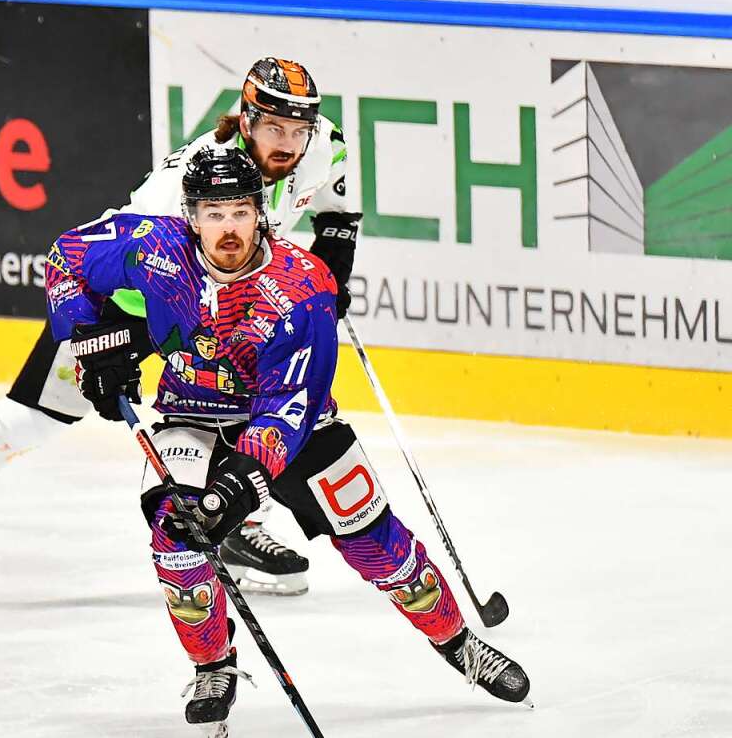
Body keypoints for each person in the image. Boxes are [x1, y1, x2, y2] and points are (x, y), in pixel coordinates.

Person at [51, 146, 530, 735]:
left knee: (376, 543)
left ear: (262, 214)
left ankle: (458, 643)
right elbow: (66, 257)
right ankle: (212, 665)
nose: (228, 228)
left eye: (240, 212)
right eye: (213, 213)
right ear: (191, 216)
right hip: (190, 414)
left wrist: (238, 487)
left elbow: (289, 409)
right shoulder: (152, 247)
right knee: (175, 540)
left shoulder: (302, 288)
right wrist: (91, 340)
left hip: (293, 425)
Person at [0, 57, 360, 595]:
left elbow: (337, 206)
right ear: (245, 120)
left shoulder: (322, 144)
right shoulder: (183, 186)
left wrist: (327, 272)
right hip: (126, 302)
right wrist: (93, 338)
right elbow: (78, 256)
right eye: (271, 128)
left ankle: (238, 528)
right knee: (24, 422)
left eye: (296, 130)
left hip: (218, 303)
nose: (286, 143)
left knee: (239, 407)